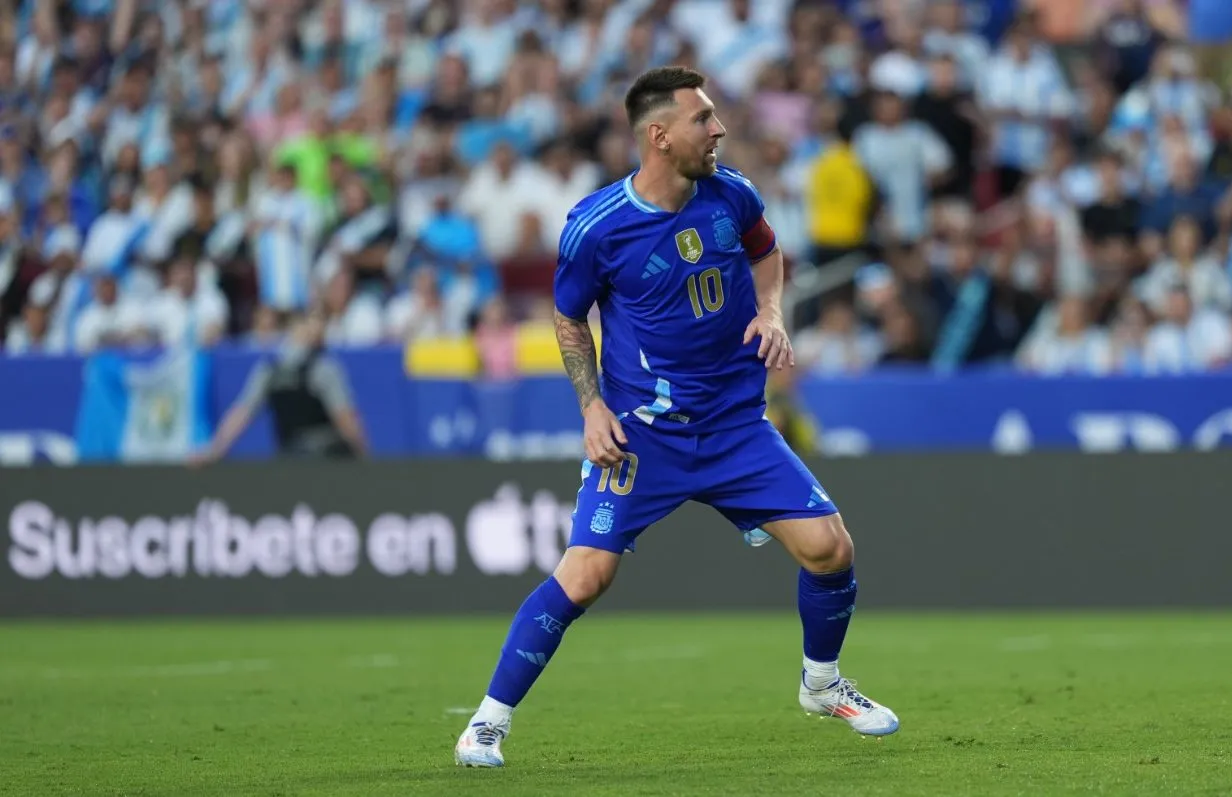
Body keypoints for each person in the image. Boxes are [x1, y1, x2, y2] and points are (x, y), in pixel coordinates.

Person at [454, 67, 899, 769]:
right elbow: (568, 318)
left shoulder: (732, 194)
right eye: (704, 119)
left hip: (734, 426)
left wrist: (770, 310)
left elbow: (765, 250)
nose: (718, 129)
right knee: (585, 576)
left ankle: (822, 683)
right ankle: (486, 722)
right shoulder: (596, 228)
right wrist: (592, 406)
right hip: (643, 436)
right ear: (659, 136)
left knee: (830, 548)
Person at [190, 312, 368, 464]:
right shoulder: (324, 369)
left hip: (289, 459)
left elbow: (242, 412)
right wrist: (364, 455)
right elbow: (345, 419)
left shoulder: (270, 370)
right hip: (326, 461)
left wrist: (214, 451)